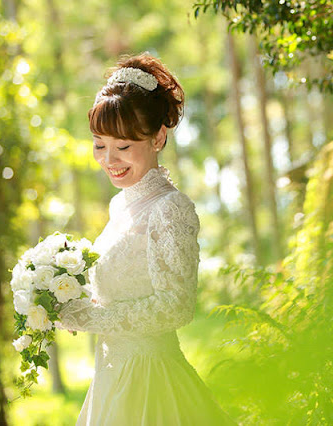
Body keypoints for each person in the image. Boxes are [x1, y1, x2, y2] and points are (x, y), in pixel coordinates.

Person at [55, 53, 237, 426]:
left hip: (151, 381)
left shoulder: (171, 209)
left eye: (123, 146)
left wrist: (91, 317)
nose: (109, 160)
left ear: (157, 137)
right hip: (109, 378)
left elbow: (176, 306)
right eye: (99, 145)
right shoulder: (119, 207)